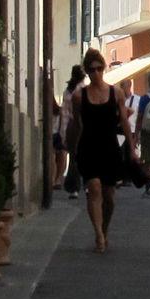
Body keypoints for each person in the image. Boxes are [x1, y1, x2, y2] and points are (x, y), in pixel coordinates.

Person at [68, 50, 134, 252]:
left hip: (109, 147)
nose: (96, 73)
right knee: (94, 188)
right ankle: (98, 235)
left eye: (99, 68)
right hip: (88, 146)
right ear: (87, 72)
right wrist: (73, 150)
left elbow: (124, 122)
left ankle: (104, 229)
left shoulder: (116, 93)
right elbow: (76, 125)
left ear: (103, 69)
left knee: (110, 196)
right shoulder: (79, 96)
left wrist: (131, 148)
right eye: (92, 70)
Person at [59, 63, 85, 199]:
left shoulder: (67, 91)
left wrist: (63, 134)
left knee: (74, 157)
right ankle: (87, 185)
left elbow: (64, 115)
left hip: (71, 127)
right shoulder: (84, 90)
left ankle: (74, 188)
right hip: (84, 127)